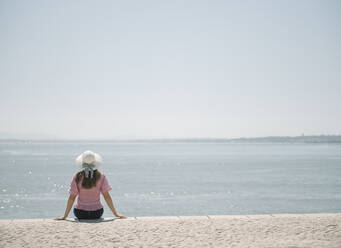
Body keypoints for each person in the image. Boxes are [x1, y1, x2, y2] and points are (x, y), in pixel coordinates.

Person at [55, 150, 126, 220]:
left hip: (80, 213)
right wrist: (115, 214)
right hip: (97, 213)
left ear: (82, 162)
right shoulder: (101, 176)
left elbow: (72, 198)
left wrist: (65, 216)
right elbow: (107, 197)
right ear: (95, 162)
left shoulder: (77, 177)